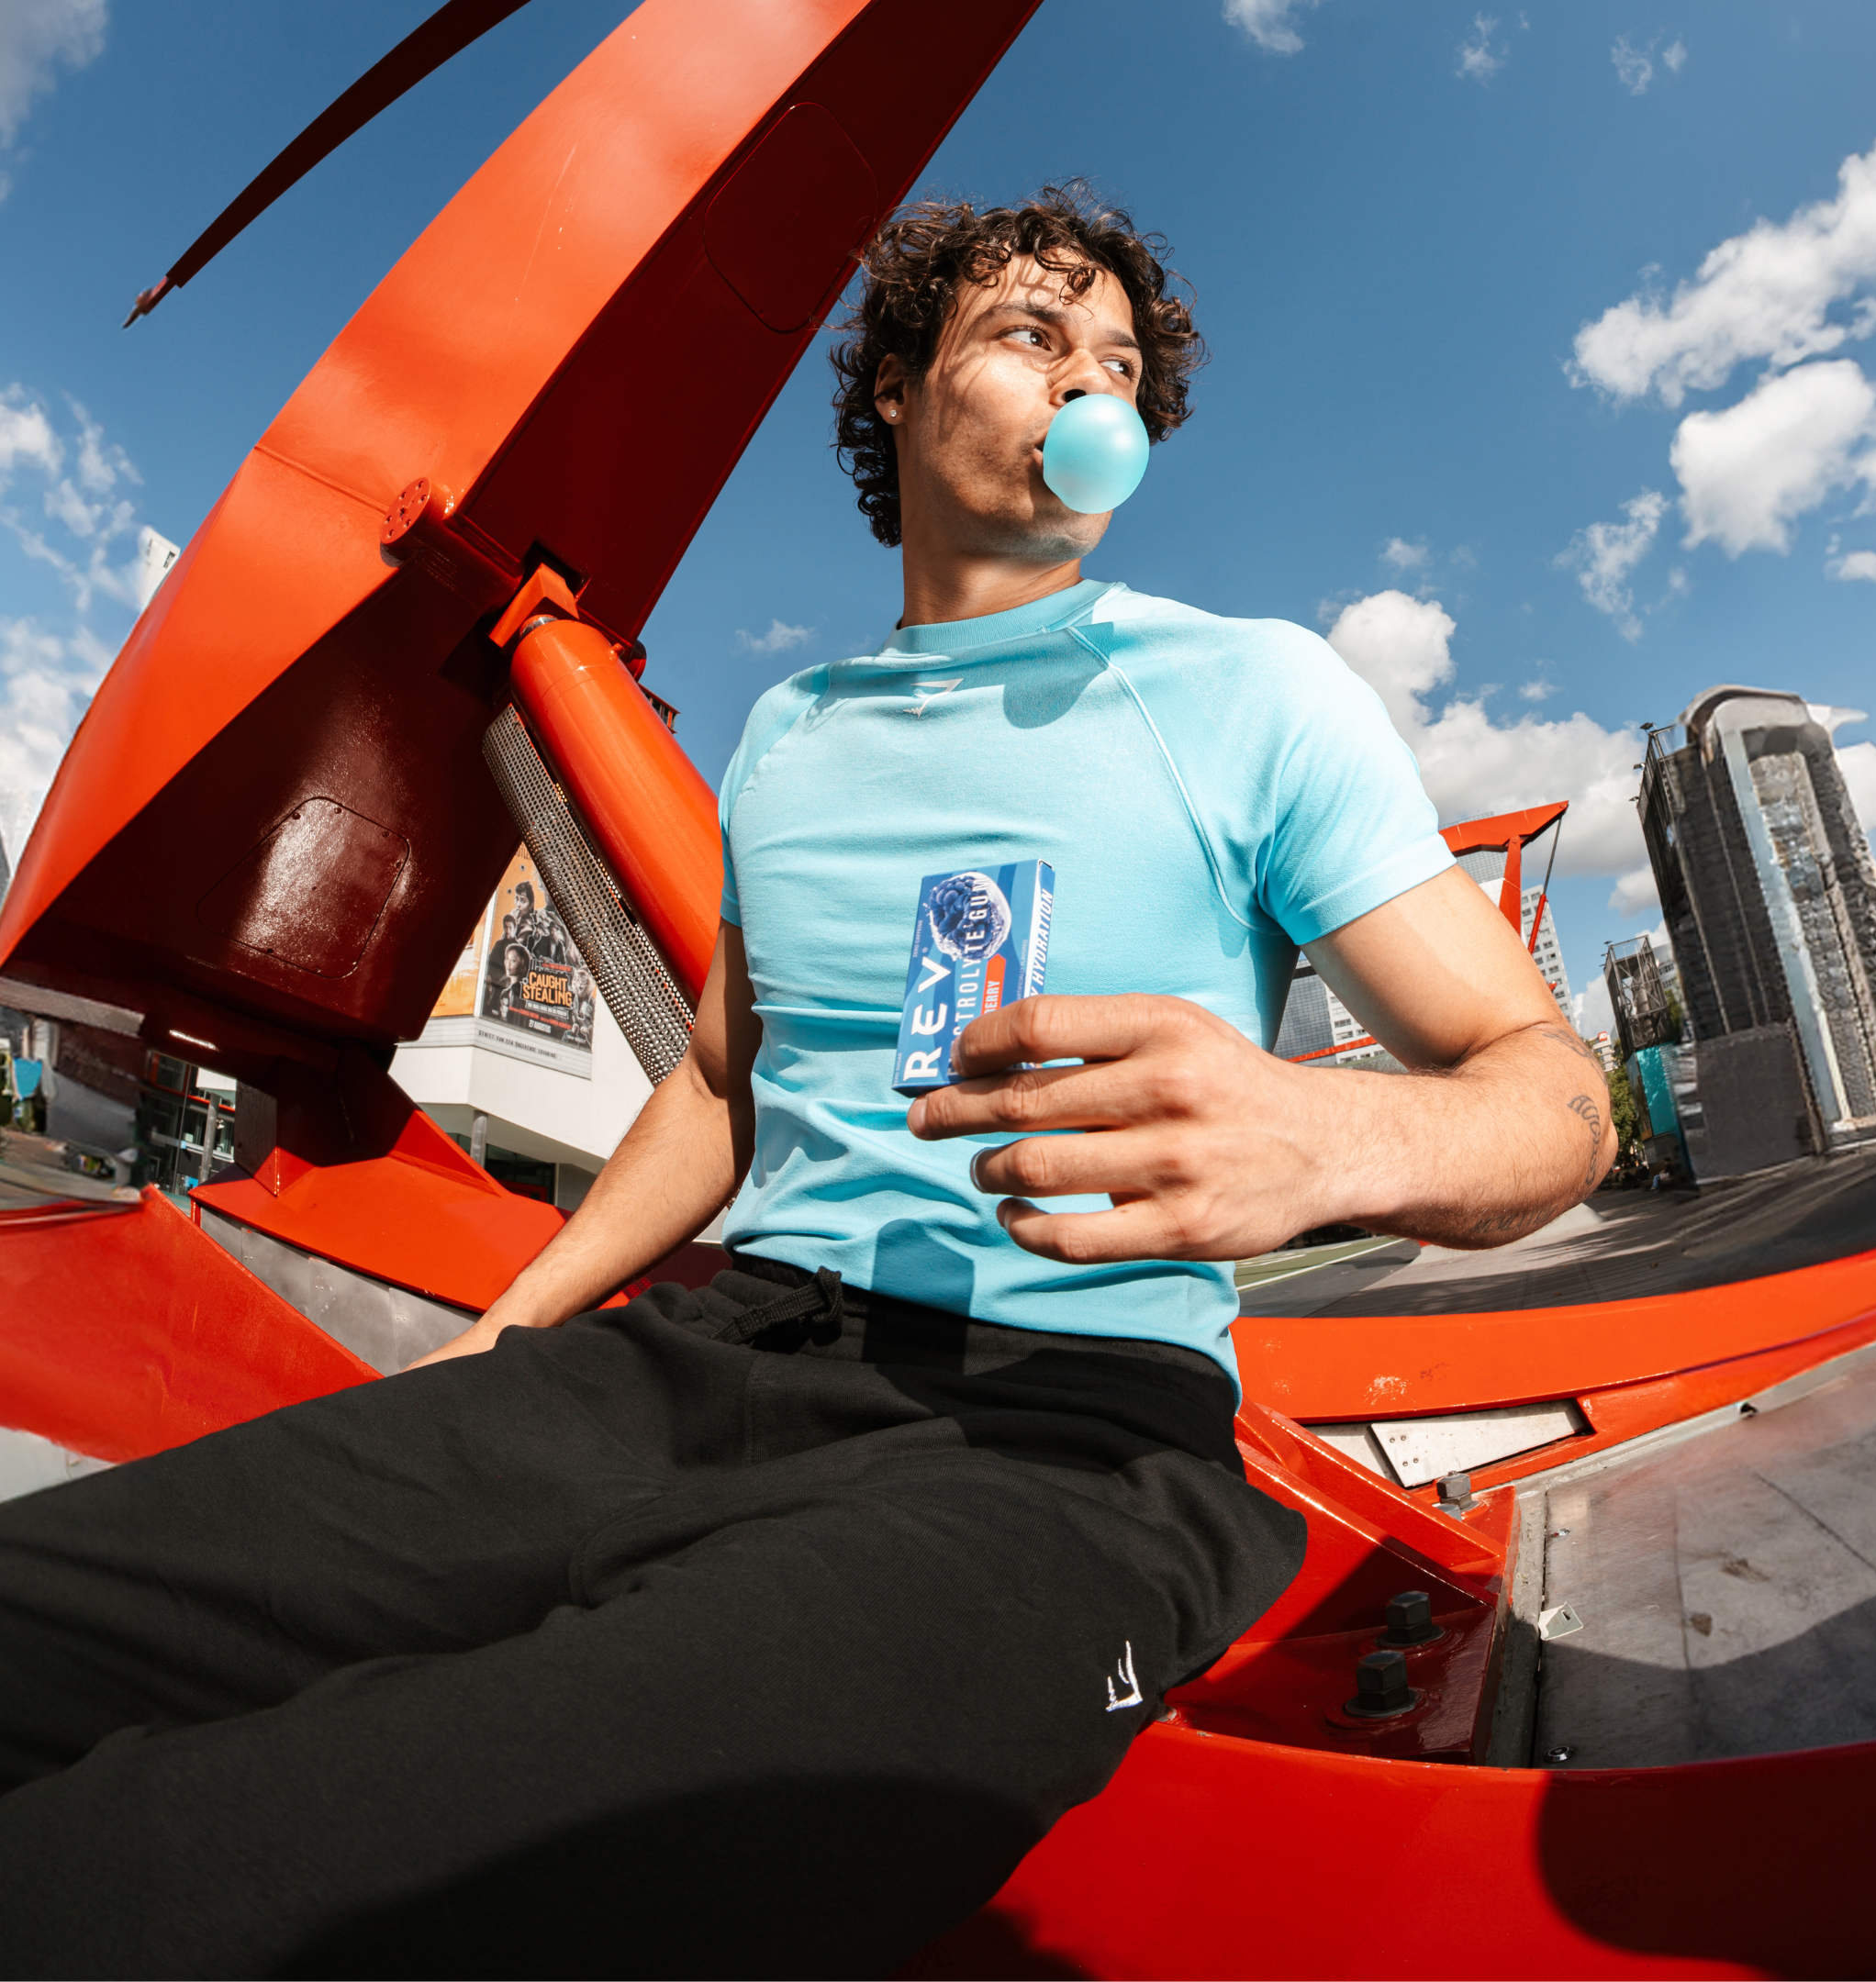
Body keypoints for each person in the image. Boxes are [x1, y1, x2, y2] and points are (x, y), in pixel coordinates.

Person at [0, 187, 1613, 1976]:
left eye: (1121, 367)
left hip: (1057, 1445)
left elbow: (1552, 1099)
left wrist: (1328, 1134)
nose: (1091, 389)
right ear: (900, 389)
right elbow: (721, 1079)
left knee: (282, 1873)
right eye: (1034, 337)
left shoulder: (1250, 695)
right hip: (703, 1360)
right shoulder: (796, 734)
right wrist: (514, 1326)